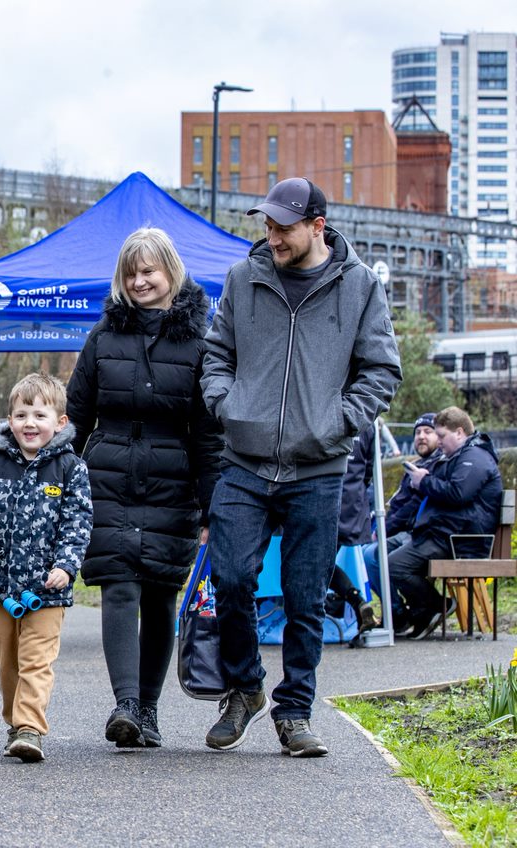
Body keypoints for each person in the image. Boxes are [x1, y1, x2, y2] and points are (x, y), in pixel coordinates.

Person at [201, 177, 401, 758]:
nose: (272, 236)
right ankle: (243, 689)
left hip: (319, 466)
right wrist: (226, 405)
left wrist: (339, 421)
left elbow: (381, 371)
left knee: (304, 594)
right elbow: (217, 354)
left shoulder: (360, 287)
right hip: (245, 457)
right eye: (267, 225)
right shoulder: (245, 278)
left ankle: (295, 712)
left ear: (317, 226)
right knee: (232, 577)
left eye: (283, 227)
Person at [66, 227, 223, 749]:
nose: (139, 281)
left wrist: (210, 505)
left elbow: (207, 433)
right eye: (131, 273)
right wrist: (60, 482)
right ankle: (126, 704)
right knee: (119, 586)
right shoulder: (103, 337)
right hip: (106, 481)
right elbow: (76, 416)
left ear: (170, 272)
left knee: (159, 596)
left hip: (173, 485)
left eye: (149, 271)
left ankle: (149, 710)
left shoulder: (202, 342)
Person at [0, 373, 92, 763]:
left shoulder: (70, 468)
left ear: (59, 422)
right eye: (21, 414)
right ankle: (14, 721)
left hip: (48, 588)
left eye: (39, 415)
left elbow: (78, 523)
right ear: (9, 420)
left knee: (36, 660)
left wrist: (66, 565)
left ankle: (30, 728)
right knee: (8, 660)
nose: (30, 423)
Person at [392, 406, 502, 639]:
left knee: (393, 566)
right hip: (445, 534)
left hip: (460, 540)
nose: (438, 442)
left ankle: (434, 606)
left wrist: (424, 481)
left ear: (459, 433)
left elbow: (458, 493)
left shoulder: (476, 458)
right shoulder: (458, 457)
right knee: (386, 558)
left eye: (441, 436)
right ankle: (424, 611)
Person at [361, 412, 443, 627]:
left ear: (440, 436)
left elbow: (413, 507)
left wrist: (383, 529)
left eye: (428, 432)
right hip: (404, 532)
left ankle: (403, 611)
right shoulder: (414, 465)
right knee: (365, 553)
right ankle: (396, 611)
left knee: (374, 554)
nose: (421, 437)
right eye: (417, 433)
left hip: (420, 534)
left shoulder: (435, 466)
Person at [331, 425, 378, 632]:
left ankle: (354, 599)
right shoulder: (367, 421)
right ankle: (355, 601)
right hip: (352, 504)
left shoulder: (321, 408)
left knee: (310, 563)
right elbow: (369, 469)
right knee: (319, 562)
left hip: (323, 498)